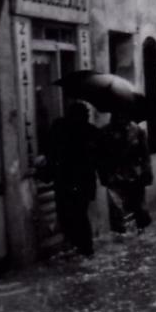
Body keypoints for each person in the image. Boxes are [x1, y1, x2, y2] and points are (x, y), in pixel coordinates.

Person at [48, 102, 99, 256]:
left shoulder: (87, 131)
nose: (87, 117)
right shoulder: (86, 131)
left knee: (74, 215)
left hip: (72, 182)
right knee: (73, 215)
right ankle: (81, 248)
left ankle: (82, 248)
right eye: (85, 114)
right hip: (71, 181)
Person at [97, 112, 153, 234]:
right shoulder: (105, 132)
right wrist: (104, 176)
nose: (121, 117)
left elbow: (145, 155)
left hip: (135, 175)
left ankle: (141, 234)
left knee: (139, 208)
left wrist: (147, 172)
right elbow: (100, 158)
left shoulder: (138, 131)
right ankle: (122, 236)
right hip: (115, 176)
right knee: (117, 210)